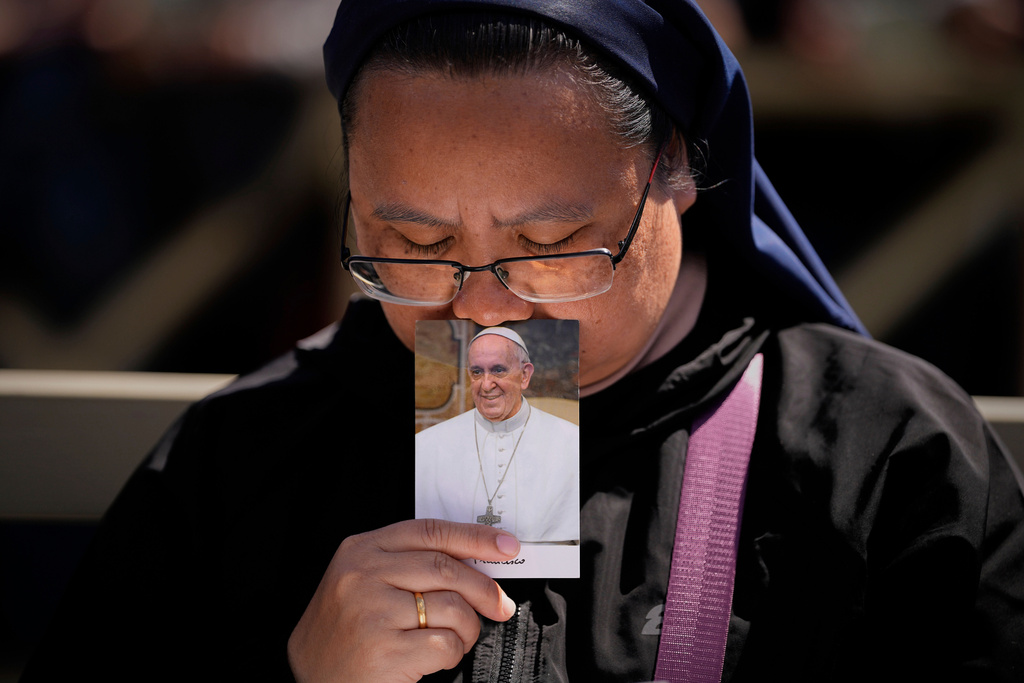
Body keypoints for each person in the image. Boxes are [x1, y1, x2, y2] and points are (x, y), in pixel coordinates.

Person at [20, 0, 1024, 682]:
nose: (482, 315)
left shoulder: (883, 455)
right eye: (413, 244)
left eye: (547, 245)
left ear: (677, 164)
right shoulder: (241, 462)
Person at [415, 327, 580, 543]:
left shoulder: (571, 442)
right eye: (476, 372)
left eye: (498, 370)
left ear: (524, 375)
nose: (486, 384)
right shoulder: (427, 445)